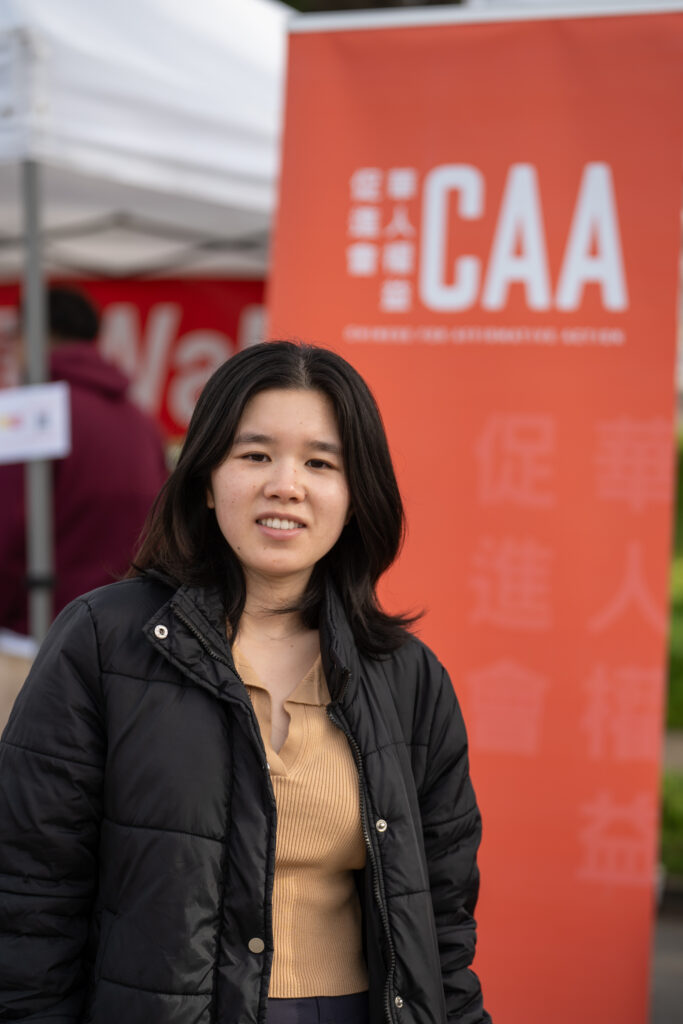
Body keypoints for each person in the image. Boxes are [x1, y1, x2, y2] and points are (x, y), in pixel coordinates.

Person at [0, 341, 491, 1024]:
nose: (285, 484)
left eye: (320, 463)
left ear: (354, 496)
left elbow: (439, 923)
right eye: (255, 455)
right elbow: (29, 894)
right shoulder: (102, 642)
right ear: (206, 478)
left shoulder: (408, 677)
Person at [0, 285, 168, 635]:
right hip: (122, 630)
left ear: (31, 335)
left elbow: (7, 527)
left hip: (36, 635)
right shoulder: (142, 421)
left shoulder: (29, 414)